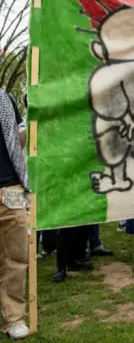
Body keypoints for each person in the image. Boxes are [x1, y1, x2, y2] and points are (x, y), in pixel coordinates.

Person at [0, 88, 30, 338]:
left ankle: (14, 319)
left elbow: (18, 139)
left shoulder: (6, 99)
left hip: (10, 187)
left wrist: (32, 123)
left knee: (16, 257)